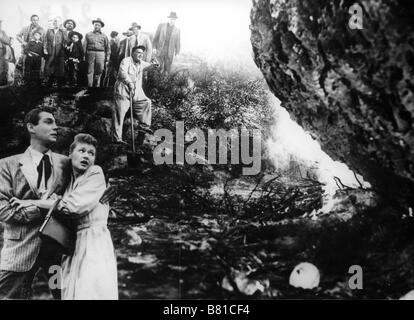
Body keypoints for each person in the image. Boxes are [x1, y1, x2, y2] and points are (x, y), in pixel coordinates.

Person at [10, 134, 118, 300]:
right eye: (82, 150)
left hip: (91, 241)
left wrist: (32, 202)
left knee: (90, 290)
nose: (86, 156)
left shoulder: (95, 173)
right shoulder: (65, 180)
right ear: (70, 154)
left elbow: (71, 206)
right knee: (68, 292)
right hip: (62, 243)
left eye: (91, 153)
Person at [0, 107, 71, 299]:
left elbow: (77, 199)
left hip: (57, 251)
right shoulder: (6, 165)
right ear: (31, 127)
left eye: (56, 122)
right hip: (20, 250)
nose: (56, 127)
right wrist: (44, 206)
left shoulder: (67, 163)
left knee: (64, 296)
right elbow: (4, 210)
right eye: (49, 122)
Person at [113, 45, 158, 144]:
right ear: (132, 53)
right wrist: (129, 82)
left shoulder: (141, 63)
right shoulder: (126, 61)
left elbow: (149, 66)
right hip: (123, 89)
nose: (140, 55)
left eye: (142, 53)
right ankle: (117, 138)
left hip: (136, 91)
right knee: (120, 113)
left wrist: (154, 65)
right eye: (138, 53)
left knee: (146, 102)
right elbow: (122, 73)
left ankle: (144, 126)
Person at [83, 18, 110, 87]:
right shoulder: (88, 34)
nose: (96, 26)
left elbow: (107, 47)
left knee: (100, 69)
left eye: (98, 25)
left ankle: (97, 86)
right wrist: (83, 55)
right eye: (95, 25)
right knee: (90, 70)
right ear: (93, 25)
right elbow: (84, 46)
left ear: (101, 26)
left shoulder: (104, 36)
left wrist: (107, 58)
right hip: (90, 53)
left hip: (101, 54)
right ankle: (90, 86)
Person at [44, 17, 68, 87]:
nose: (56, 23)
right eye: (55, 21)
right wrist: (45, 49)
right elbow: (46, 40)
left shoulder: (63, 31)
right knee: (50, 66)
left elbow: (66, 41)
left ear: (60, 23)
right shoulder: (49, 31)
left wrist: (65, 46)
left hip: (60, 51)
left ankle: (59, 83)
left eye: (57, 22)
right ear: (53, 23)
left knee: (60, 67)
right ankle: (49, 82)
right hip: (51, 50)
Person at [0, 20, 11, 86]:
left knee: (4, 66)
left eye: (0, 24)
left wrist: (1, 37)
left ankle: (2, 82)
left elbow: (8, 41)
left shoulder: (3, 32)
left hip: (2, 51)